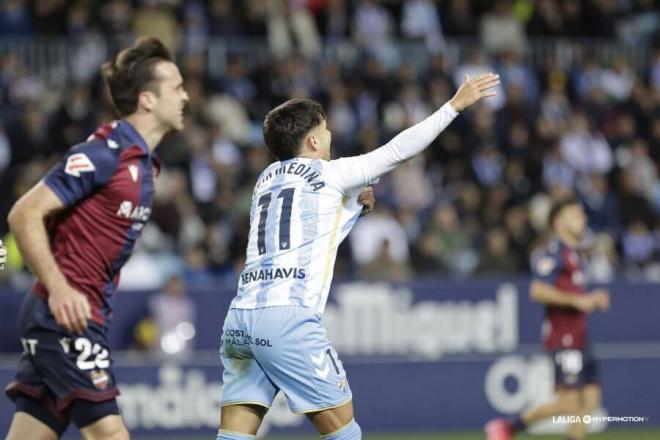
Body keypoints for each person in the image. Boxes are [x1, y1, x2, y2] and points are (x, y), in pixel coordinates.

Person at [217, 72, 499, 440]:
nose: (332, 135)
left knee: (235, 435)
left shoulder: (266, 180)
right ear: (314, 139)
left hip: (240, 318)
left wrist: (352, 208)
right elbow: (398, 152)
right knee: (344, 433)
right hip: (287, 318)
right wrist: (453, 106)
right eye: (327, 128)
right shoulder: (331, 172)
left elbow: (303, 230)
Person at [4, 37, 188, 440]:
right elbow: (24, 213)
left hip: (83, 316)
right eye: (176, 87)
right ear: (147, 100)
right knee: (110, 432)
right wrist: (59, 289)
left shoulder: (141, 163)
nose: (186, 96)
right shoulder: (107, 152)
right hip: (64, 318)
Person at [486, 197, 610, 440]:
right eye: (575, 214)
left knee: (591, 402)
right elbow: (537, 290)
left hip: (580, 338)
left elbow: (573, 293)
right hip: (564, 340)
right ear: (559, 222)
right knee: (569, 404)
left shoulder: (576, 255)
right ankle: (508, 427)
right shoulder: (554, 252)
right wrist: (577, 301)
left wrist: (592, 299)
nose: (583, 218)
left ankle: (509, 428)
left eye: (582, 214)